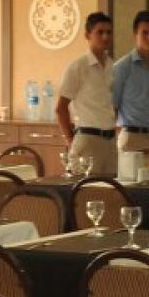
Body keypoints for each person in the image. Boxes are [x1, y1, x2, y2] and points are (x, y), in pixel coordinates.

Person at [56, 11, 117, 176]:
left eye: (109, 32)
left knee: (112, 188)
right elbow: (61, 108)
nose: (105, 36)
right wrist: (71, 140)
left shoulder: (112, 66)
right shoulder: (78, 67)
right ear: (88, 35)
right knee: (85, 189)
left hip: (110, 140)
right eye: (100, 32)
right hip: (88, 139)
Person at [111, 10, 149, 157]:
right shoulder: (121, 68)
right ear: (135, 34)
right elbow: (112, 107)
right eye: (145, 33)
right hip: (132, 138)